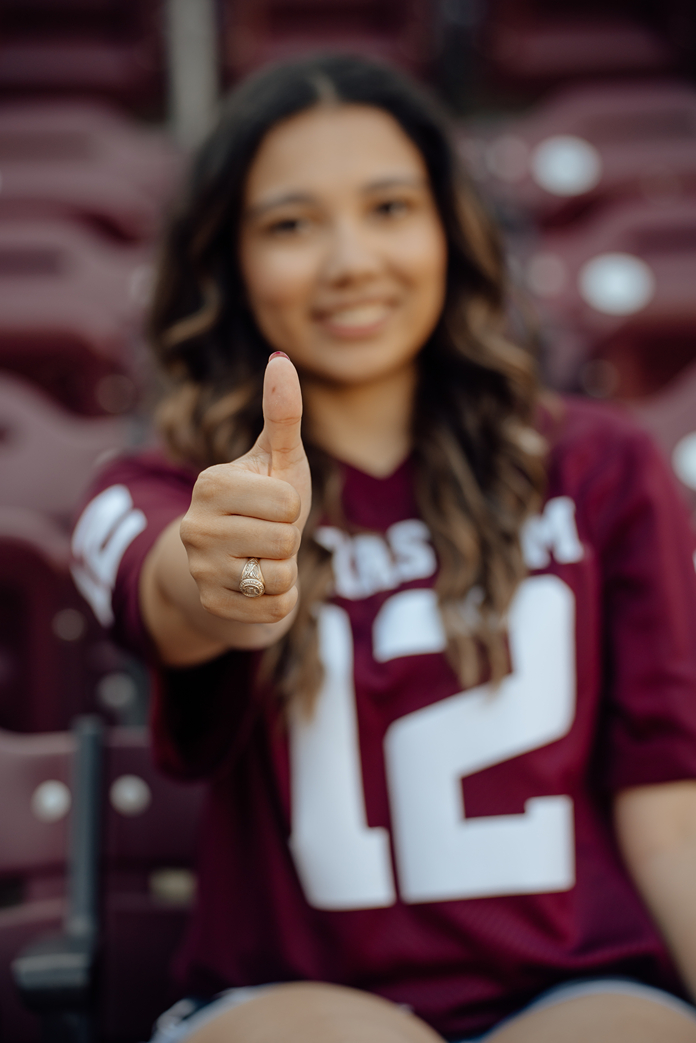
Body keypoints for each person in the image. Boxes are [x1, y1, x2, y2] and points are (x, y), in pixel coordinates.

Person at [71, 54, 696, 1043]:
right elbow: (176, 589)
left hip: (573, 987)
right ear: (226, 260)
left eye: (390, 207)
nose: (350, 259)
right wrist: (231, 575)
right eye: (290, 224)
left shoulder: (604, 466)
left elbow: (668, 808)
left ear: (452, 230)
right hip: (284, 997)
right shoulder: (153, 493)